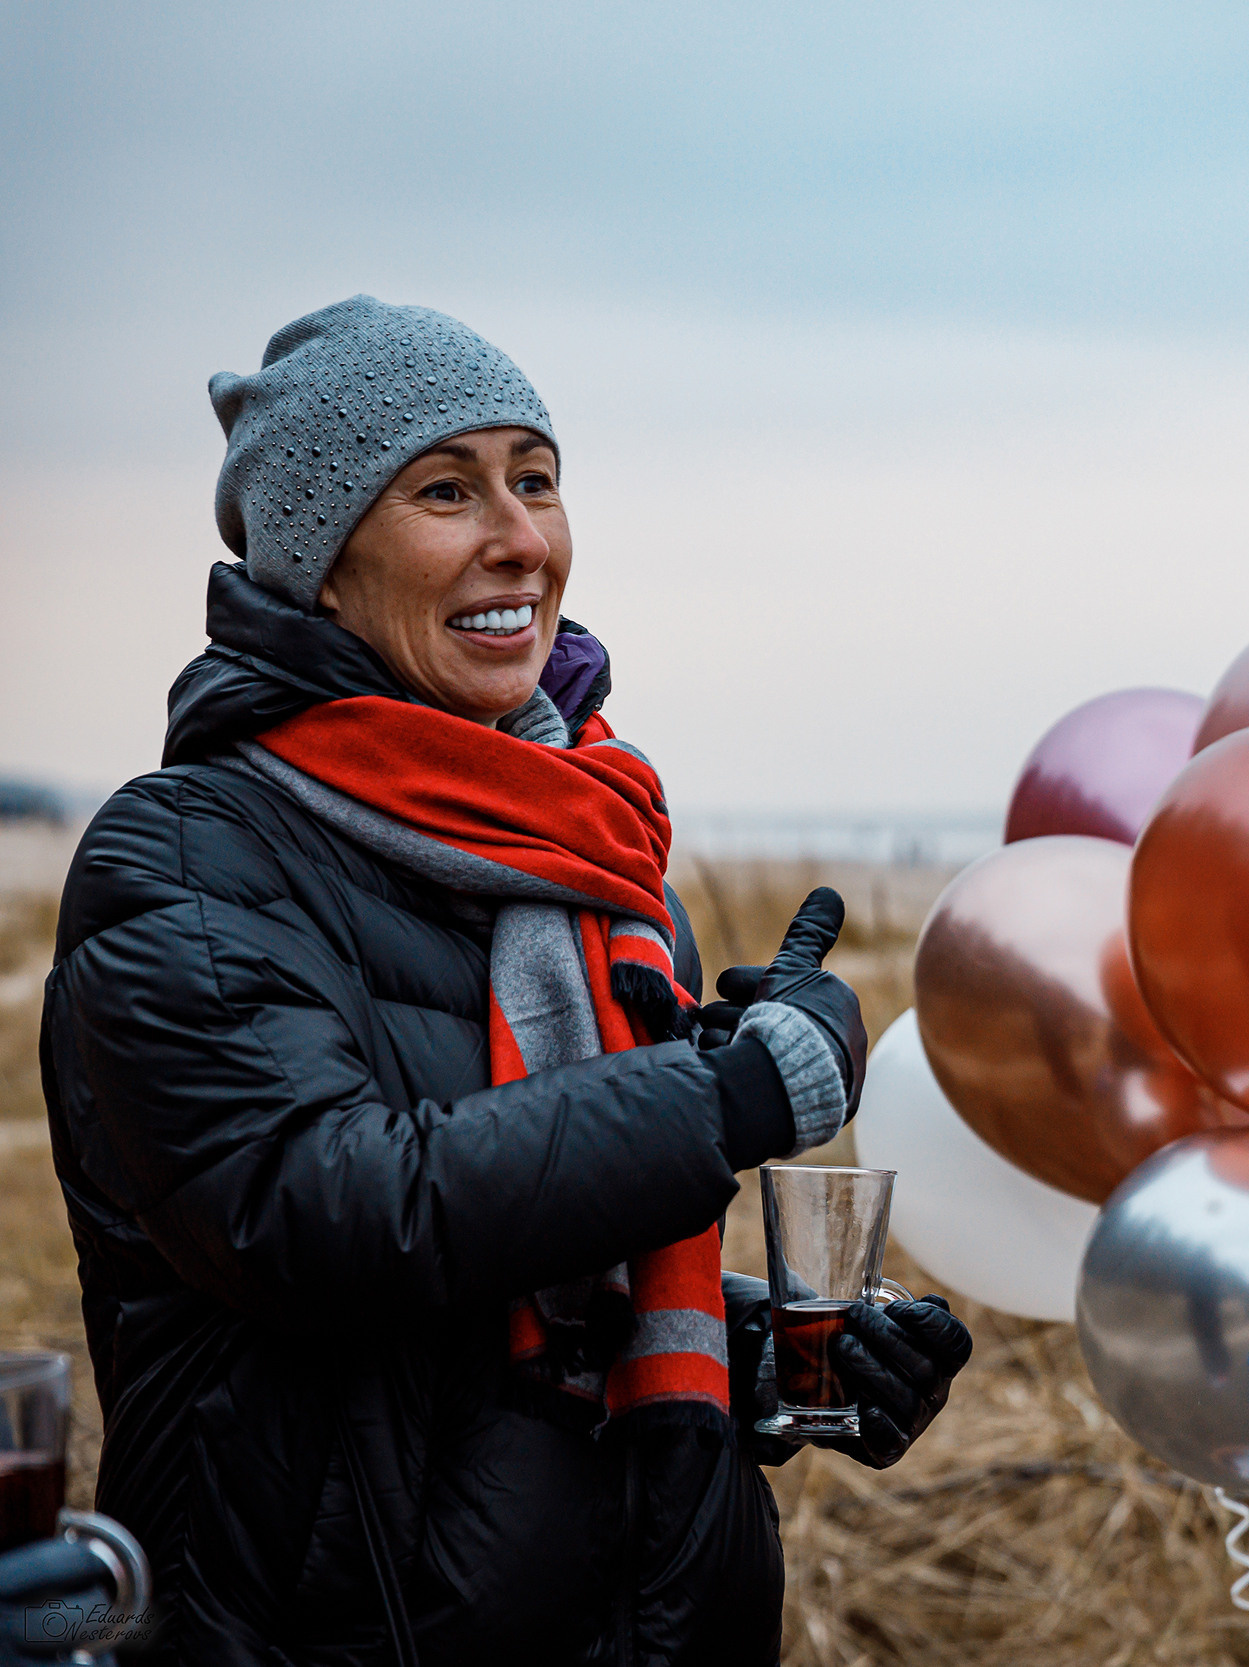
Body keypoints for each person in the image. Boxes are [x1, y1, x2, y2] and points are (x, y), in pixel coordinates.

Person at [41, 296, 972, 1665]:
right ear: (323, 560)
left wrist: (773, 1358)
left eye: (535, 479)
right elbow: (318, 1207)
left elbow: (562, 1295)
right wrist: (722, 1097)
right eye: (445, 488)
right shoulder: (189, 849)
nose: (520, 537)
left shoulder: (592, 841)